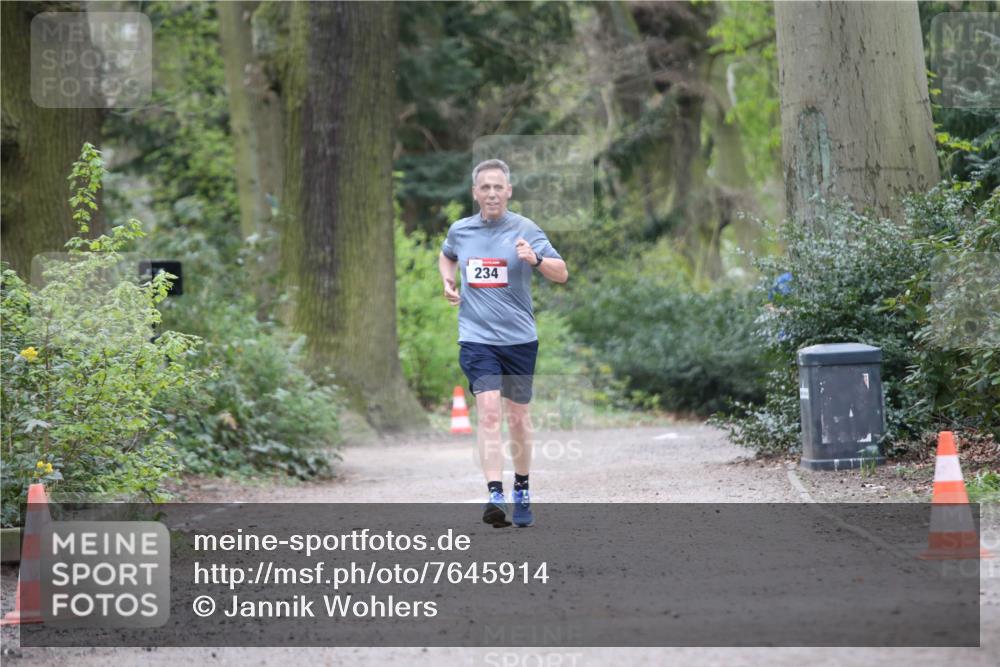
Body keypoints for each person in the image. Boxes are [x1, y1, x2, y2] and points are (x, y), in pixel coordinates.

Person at [438, 158, 568, 527]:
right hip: (477, 339)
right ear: (475, 193)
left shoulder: (526, 229)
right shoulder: (461, 230)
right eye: (485, 187)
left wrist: (537, 258)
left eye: (498, 186)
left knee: (518, 417)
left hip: (519, 340)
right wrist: (448, 281)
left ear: (509, 191)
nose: (492, 193)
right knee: (490, 411)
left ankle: (522, 489)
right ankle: (495, 494)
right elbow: (447, 256)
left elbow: (562, 273)